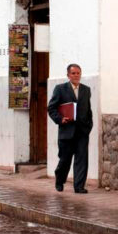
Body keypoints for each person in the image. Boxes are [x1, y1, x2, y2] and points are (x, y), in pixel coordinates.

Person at [47, 64, 93, 193]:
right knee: (65, 160)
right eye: (73, 73)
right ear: (68, 75)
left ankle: (79, 186)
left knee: (82, 159)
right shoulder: (60, 89)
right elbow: (51, 108)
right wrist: (60, 119)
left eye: (78, 73)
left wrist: (89, 126)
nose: (76, 75)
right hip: (66, 131)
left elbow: (88, 110)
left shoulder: (86, 90)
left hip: (82, 132)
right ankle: (59, 180)